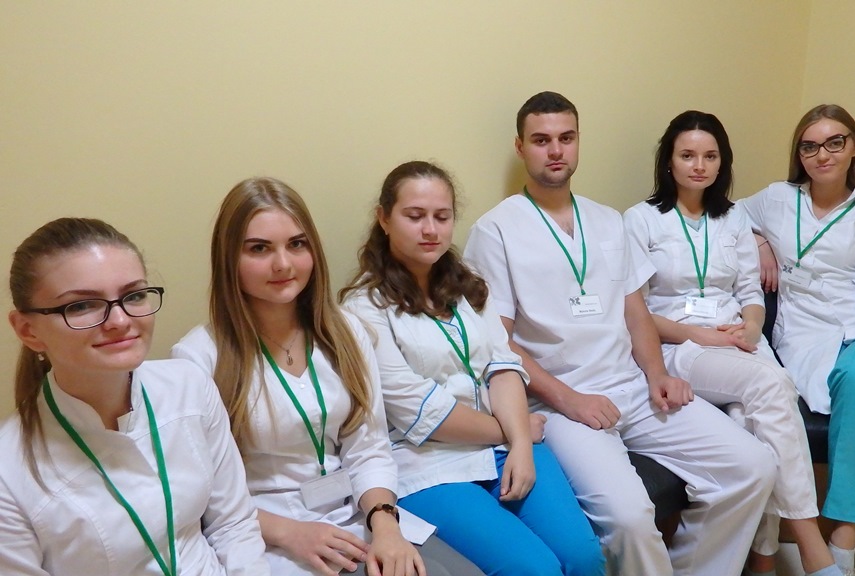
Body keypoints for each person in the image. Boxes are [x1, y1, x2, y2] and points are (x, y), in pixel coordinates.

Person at [463, 91, 777, 576]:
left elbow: (636, 313)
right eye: (541, 140)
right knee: (630, 517)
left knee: (754, 466)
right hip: (560, 403)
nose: (556, 150)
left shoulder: (608, 221)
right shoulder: (495, 230)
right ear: (521, 147)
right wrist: (569, 400)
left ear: (578, 142)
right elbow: (496, 343)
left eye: (566, 138)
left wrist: (657, 375)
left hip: (632, 386)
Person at [171, 177, 482, 576]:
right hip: (268, 533)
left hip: (358, 512)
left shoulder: (346, 331)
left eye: (296, 244)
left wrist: (385, 524)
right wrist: (291, 533)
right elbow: (205, 494)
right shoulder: (198, 359)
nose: (283, 264)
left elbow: (368, 446)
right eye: (259, 248)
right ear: (228, 257)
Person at [342, 161, 605, 576]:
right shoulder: (363, 308)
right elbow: (418, 411)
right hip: (430, 463)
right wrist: (515, 431)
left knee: (584, 556)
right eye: (415, 216)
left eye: (442, 217)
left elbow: (503, 365)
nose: (430, 229)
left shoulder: (466, 285)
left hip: (506, 446)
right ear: (384, 219)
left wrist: (520, 445)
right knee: (535, 569)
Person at [623, 110, 841, 576]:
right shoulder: (641, 220)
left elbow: (749, 291)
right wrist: (696, 333)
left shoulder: (734, 216)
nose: (699, 165)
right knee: (774, 386)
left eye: (710, 156)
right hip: (681, 346)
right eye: (687, 155)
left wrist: (753, 327)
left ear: (722, 162)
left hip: (738, 340)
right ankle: (810, 543)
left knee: (751, 422)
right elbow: (635, 311)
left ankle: (762, 557)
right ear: (668, 161)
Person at [1, 217, 269, 575]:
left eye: (134, 296)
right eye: (81, 306)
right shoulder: (9, 472)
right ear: (28, 330)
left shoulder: (189, 386)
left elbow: (234, 524)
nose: (119, 320)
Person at [740, 104, 855, 576]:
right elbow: (729, 215)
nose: (821, 154)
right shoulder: (777, 198)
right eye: (809, 146)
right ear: (799, 154)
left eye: (834, 142)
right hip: (809, 334)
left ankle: (842, 537)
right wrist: (761, 242)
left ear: (854, 147)